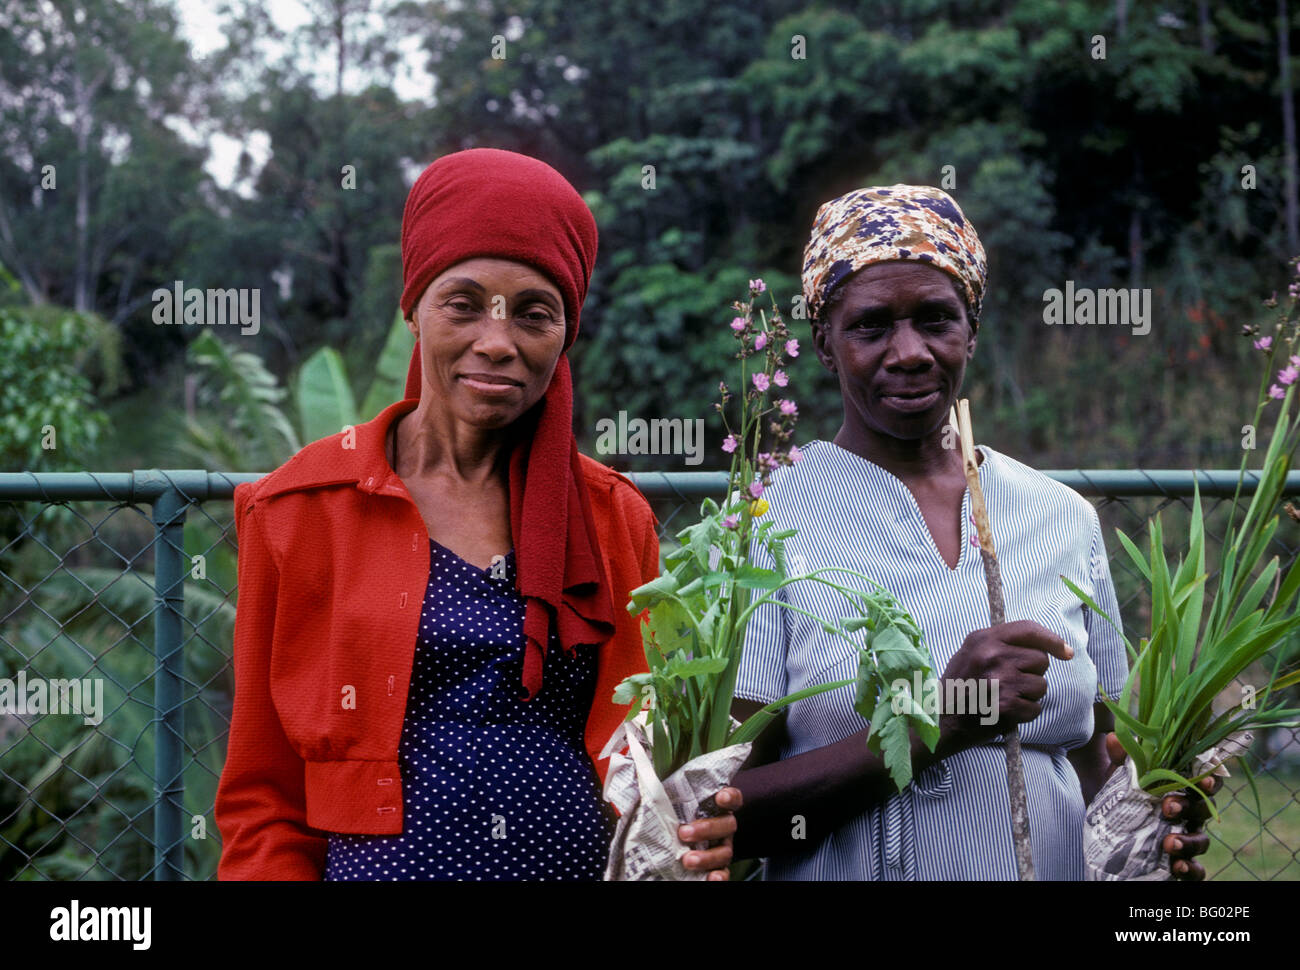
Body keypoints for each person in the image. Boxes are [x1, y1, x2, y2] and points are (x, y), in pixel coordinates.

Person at [215, 148, 740, 881]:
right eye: (463, 304)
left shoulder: (614, 518)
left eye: (534, 314)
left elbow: (652, 759)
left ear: (565, 334)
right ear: (415, 307)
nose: (497, 343)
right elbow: (263, 796)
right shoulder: (299, 509)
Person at [728, 184, 1217, 880]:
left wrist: (1157, 824)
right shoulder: (770, 518)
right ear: (825, 345)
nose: (910, 353)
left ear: (972, 330)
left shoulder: (1057, 515)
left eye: (936, 319)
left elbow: (1101, 761)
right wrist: (938, 724)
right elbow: (722, 810)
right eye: (870, 326)